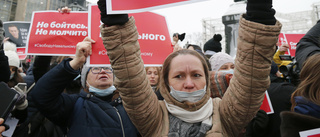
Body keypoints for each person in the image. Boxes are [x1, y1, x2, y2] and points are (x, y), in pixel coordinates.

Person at [97, 0, 281, 136]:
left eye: (196, 75)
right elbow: (131, 79)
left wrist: (259, 13)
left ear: (207, 78)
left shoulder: (225, 114)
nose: (189, 83)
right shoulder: (154, 117)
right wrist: (115, 20)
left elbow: (251, 78)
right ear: (166, 82)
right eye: (178, 76)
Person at [31, 36, 139, 136]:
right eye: (95, 69)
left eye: (107, 68)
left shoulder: (131, 106)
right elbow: (41, 96)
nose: (102, 71)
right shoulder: (74, 105)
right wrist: (75, 62)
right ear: (85, 81)